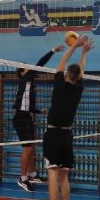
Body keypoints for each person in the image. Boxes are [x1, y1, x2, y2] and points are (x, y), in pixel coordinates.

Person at [43, 35, 94, 200]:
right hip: (67, 137)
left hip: (53, 133)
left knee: (52, 173)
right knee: (64, 176)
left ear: (66, 75)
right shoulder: (78, 89)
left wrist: (75, 47)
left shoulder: (59, 85)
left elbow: (62, 61)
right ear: (78, 77)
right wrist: (84, 53)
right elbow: (81, 71)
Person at [13, 45, 62, 192]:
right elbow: (41, 63)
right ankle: (22, 179)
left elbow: (27, 105)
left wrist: (39, 111)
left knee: (32, 147)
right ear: (22, 72)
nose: (29, 67)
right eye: (26, 66)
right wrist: (53, 51)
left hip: (26, 117)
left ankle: (32, 174)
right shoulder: (25, 78)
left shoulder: (28, 83)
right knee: (27, 148)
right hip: (20, 118)